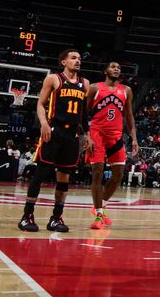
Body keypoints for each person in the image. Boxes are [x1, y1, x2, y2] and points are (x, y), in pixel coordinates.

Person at [19, 49, 90, 233]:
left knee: (64, 179)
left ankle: (56, 218)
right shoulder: (54, 79)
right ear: (63, 62)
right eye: (73, 58)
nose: (78, 61)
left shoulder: (85, 84)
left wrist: (88, 135)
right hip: (54, 131)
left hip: (72, 136)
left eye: (79, 58)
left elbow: (84, 114)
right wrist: (43, 123)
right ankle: (27, 216)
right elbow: (41, 104)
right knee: (40, 174)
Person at [86, 61, 138, 229]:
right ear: (105, 71)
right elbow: (84, 113)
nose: (116, 69)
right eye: (113, 67)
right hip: (97, 134)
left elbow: (129, 116)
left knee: (118, 175)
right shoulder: (94, 88)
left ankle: (100, 206)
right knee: (97, 173)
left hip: (116, 136)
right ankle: (99, 215)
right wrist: (87, 136)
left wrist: (134, 138)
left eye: (119, 67)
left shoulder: (126, 90)